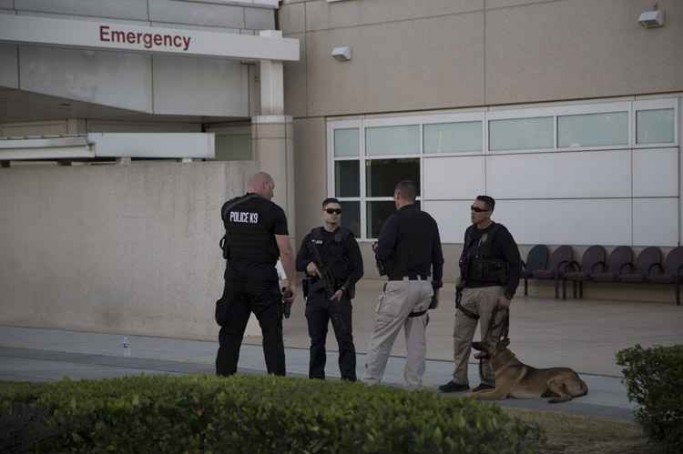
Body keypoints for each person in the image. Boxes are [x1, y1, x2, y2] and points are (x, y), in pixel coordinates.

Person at [215, 171, 297, 377]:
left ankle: (223, 380)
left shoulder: (228, 208)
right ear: (265, 185)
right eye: (272, 189)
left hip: (234, 280)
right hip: (262, 280)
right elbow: (285, 251)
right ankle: (276, 380)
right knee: (272, 334)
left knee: (230, 334)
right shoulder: (273, 212)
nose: (273, 194)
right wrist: (292, 283)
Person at [364, 180, 444, 387]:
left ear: (398, 196)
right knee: (417, 341)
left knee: (382, 337)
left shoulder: (395, 219)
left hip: (400, 286)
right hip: (424, 286)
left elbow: (382, 251)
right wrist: (435, 288)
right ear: (414, 197)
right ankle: (414, 385)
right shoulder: (429, 220)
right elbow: (438, 257)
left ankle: (371, 383)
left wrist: (379, 251)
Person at [439, 195, 521, 393]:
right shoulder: (470, 232)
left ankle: (488, 380)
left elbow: (515, 264)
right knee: (460, 337)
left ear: (489, 212)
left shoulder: (500, 233)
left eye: (478, 209)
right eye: (472, 208)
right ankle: (459, 379)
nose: (473, 212)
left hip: (492, 292)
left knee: (489, 340)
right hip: (468, 291)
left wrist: (508, 295)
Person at [296, 198, 364, 381]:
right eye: (330, 210)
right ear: (323, 211)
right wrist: (307, 266)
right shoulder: (312, 237)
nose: (334, 214)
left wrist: (343, 289)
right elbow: (298, 262)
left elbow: (358, 269)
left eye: (338, 212)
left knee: (345, 340)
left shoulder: (347, 238)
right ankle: (316, 380)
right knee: (317, 341)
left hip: (339, 296)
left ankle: (348, 379)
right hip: (316, 297)